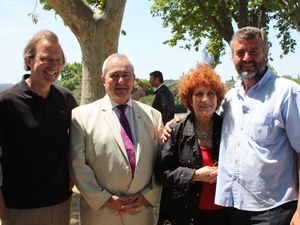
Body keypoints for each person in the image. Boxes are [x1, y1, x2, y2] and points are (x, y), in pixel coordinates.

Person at [163, 26, 300, 225]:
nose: (246, 58)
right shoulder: (230, 98)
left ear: (266, 53)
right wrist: (175, 123)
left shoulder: (288, 93)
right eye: (240, 52)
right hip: (233, 207)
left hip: (273, 210)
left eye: (254, 51)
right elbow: (203, 114)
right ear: (232, 57)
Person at [69, 53, 163, 225]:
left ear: (134, 79)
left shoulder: (153, 116)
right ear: (103, 79)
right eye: (114, 76)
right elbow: (77, 165)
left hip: (141, 214)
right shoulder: (81, 116)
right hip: (100, 215)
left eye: (126, 76)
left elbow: (162, 162)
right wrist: (104, 199)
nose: (121, 81)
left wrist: (148, 195)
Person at [0, 30, 77, 224]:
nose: (54, 66)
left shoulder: (65, 99)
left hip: (61, 203)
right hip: (20, 207)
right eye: (46, 59)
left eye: (58, 61)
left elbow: (85, 137)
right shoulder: (7, 102)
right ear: (28, 60)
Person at [155, 64, 227, 225]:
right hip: (185, 215)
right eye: (198, 94)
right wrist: (194, 175)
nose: (205, 100)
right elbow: (162, 172)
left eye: (211, 94)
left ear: (218, 98)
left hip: (223, 215)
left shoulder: (229, 128)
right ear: (189, 98)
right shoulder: (175, 131)